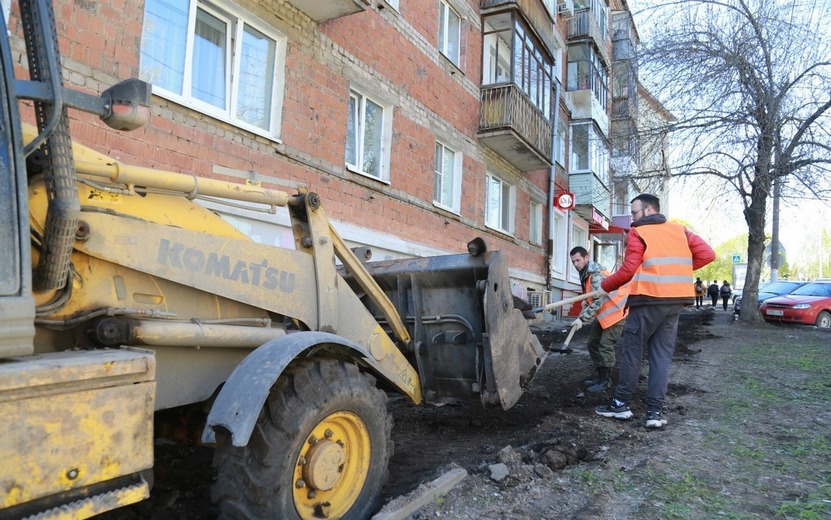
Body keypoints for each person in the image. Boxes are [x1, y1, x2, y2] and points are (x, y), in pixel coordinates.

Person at [595, 194, 715, 429]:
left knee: (632, 352)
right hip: (674, 302)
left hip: (647, 300)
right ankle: (654, 412)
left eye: (635, 213)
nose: (632, 218)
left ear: (649, 210)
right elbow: (707, 254)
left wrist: (605, 286)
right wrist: (675, 268)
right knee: (661, 357)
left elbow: (629, 269)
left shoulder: (640, 232)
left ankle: (620, 404)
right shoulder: (681, 230)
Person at [568, 247, 629, 393]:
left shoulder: (595, 275)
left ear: (586, 258)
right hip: (604, 315)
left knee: (605, 346)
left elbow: (598, 302)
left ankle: (606, 381)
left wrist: (581, 319)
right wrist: (586, 301)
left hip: (616, 314)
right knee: (592, 343)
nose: (576, 264)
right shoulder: (586, 274)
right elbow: (594, 298)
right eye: (573, 261)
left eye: (578, 260)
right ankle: (600, 376)